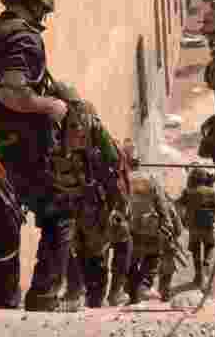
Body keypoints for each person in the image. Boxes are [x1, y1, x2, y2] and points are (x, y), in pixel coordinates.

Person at [0, 0, 73, 311]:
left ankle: (5, 302)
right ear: (35, 5)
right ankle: (43, 297)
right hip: (26, 148)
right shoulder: (25, 38)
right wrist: (52, 106)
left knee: (3, 222)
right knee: (60, 216)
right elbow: (12, 92)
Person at [53, 87, 130, 311]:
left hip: (71, 205)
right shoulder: (92, 132)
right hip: (89, 207)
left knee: (75, 251)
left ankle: (81, 294)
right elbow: (115, 167)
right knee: (103, 253)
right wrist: (118, 205)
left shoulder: (51, 130)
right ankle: (106, 297)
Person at [125, 162, 182, 303]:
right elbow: (162, 206)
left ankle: (133, 293)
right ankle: (144, 286)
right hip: (151, 229)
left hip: (131, 229)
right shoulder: (151, 180)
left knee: (132, 261)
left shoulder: (126, 180)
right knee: (152, 259)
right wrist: (167, 229)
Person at [176, 166, 215, 288]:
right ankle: (205, 267)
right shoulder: (211, 192)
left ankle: (198, 274)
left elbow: (178, 204)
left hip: (193, 225)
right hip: (207, 224)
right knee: (210, 245)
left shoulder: (188, 192)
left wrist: (182, 218)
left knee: (195, 249)